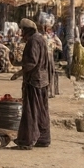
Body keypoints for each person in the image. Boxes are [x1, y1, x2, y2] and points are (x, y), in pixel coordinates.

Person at [15, 18, 52, 148]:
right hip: (42, 79)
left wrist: (19, 72)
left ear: (26, 31)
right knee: (42, 110)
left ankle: (27, 140)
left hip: (34, 80)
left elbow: (31, 62)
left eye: (22, 31)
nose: (21, 34)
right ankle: (43, 139)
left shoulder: (33, 41)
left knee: (31, 111)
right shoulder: (41, 39)